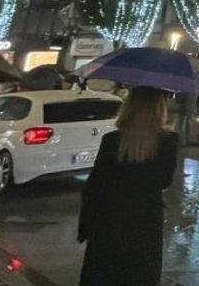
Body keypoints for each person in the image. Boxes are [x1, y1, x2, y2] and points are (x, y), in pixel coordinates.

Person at [78, 86, 178, 286]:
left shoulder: (112, 140)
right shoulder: (168, 142)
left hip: (109, 221)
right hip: (144, 224)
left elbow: (95, 186)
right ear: (160, 108)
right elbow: (164, 181)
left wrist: (86, 227)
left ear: (129, 107)